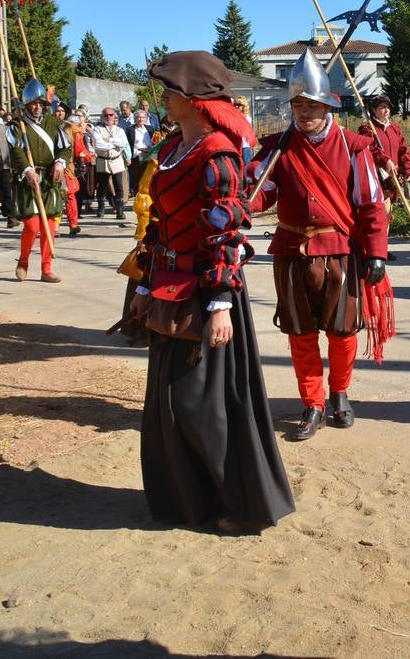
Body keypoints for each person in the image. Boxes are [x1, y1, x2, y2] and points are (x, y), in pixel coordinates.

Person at [128, 50, 293, 532]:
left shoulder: (216, 151)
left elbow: (226, 234)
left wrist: (221, 305)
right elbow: (159, 225)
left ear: (194, 100)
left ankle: (236, 503)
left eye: (170, 92)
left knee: (199, 406)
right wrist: (143, 282)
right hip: (168, 288)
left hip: (208, 292)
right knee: (167, 406)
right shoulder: (171, 149)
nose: (164, 99)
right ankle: (190, 501)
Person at [250, 50, 392, 442]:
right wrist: (244, 201)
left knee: (343, 331)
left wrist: (377, 253)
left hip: (339, 250)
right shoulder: (277, 147)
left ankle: (339, 393)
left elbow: (370, 203)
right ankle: (311, 403)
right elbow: (264, 193)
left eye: (311, 104)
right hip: (291, 252)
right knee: (300, 331)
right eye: (297, 104)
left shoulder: (353, 147)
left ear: (328, 104)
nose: (303, 112)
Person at [8, 77, 71, 283]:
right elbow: (15, 151)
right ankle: (23, 262)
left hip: (49, 180)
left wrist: (61, 162)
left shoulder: (53, 123)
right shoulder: (18, 125)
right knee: (33, 226)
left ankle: (46, 269)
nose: (37, 107)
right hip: (28, 180)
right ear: (27, 104)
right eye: (33, 103)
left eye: (40, 103)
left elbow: (64, 147)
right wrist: (26, 169)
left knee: (50, 226)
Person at [357, 93, 410, 213]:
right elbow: (368, 149)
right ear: (374, 110)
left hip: (393, 179)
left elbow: (403, 150)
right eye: (382, 107)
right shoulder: (367, 129)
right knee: (381, 213)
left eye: (388, 107)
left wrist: (407, 169)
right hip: (376, 179)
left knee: (387, 214)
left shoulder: (395, 128)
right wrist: (385, 160)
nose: (386, 110)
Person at [92, 107, 130, 220]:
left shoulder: (119, 130)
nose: (108, 117)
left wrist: (108, 140)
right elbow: (98, 145)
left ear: (114, 116)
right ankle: (101, 208)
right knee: (102, 186)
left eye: (111, 115)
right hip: (103, 160)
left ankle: (119, 210)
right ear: (102, 116)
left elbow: (123, 143)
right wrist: (114, 142)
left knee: (119, 186)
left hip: (117, 160)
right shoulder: (97, 129)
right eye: (106, 115)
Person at [127, 109, 154, 191]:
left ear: (145, 119)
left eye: (142, 117)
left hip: (150, 156)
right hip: (137, 157)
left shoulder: (150, 129)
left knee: (149, 178)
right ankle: (137, 196)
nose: (140, 119)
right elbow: (128, 145)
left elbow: (154, 141)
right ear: (135, 119)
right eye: (138, 117)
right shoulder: (130, 130)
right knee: (137, 179)